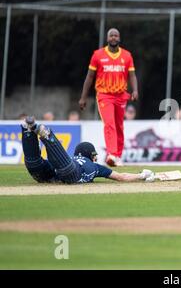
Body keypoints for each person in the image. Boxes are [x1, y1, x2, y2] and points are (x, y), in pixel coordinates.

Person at [21, 116, 154, 184]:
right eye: (94, 154)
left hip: (55, 174)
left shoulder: (74, 158)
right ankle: (47, 135)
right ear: (89, 154)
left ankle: (28, 131)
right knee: (63, 167)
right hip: (70, 172)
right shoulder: (96, 167)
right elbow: (121, 177)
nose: (95, 158)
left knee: (34, 163)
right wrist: (142, 175)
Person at [79, 28, 139, 167]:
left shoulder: (127, 55)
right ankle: (111, 153)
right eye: (111, 35)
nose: (113, 37)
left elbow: (132, 75)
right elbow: (90, 76)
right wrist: (83, 97)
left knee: (119, 126)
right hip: (104, 95)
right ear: (107, 38)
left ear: (119, 38)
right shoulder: (98, 55)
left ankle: (117, 156)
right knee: (109, 123)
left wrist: (135, 90)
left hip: (121, 95)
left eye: (116, 35)